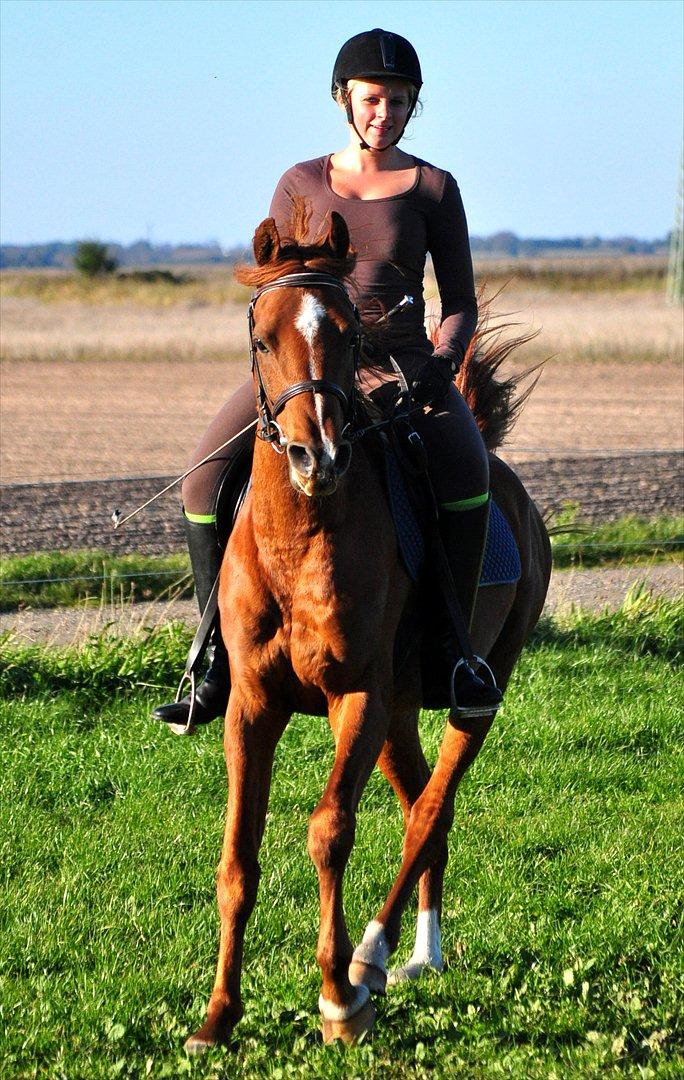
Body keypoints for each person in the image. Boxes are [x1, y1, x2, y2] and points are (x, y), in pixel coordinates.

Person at [154, 28, 502, 732]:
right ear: (345, 99)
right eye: (374, 99)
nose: (386, 113)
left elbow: (459, 302)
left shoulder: (433, 188)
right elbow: (280, 283)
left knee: (467, 474)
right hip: (307, 370)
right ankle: (214, 661)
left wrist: (439, 362)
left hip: (405, 369)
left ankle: (454, 654)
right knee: (199, 478)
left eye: (401, 102)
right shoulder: (299, 182)